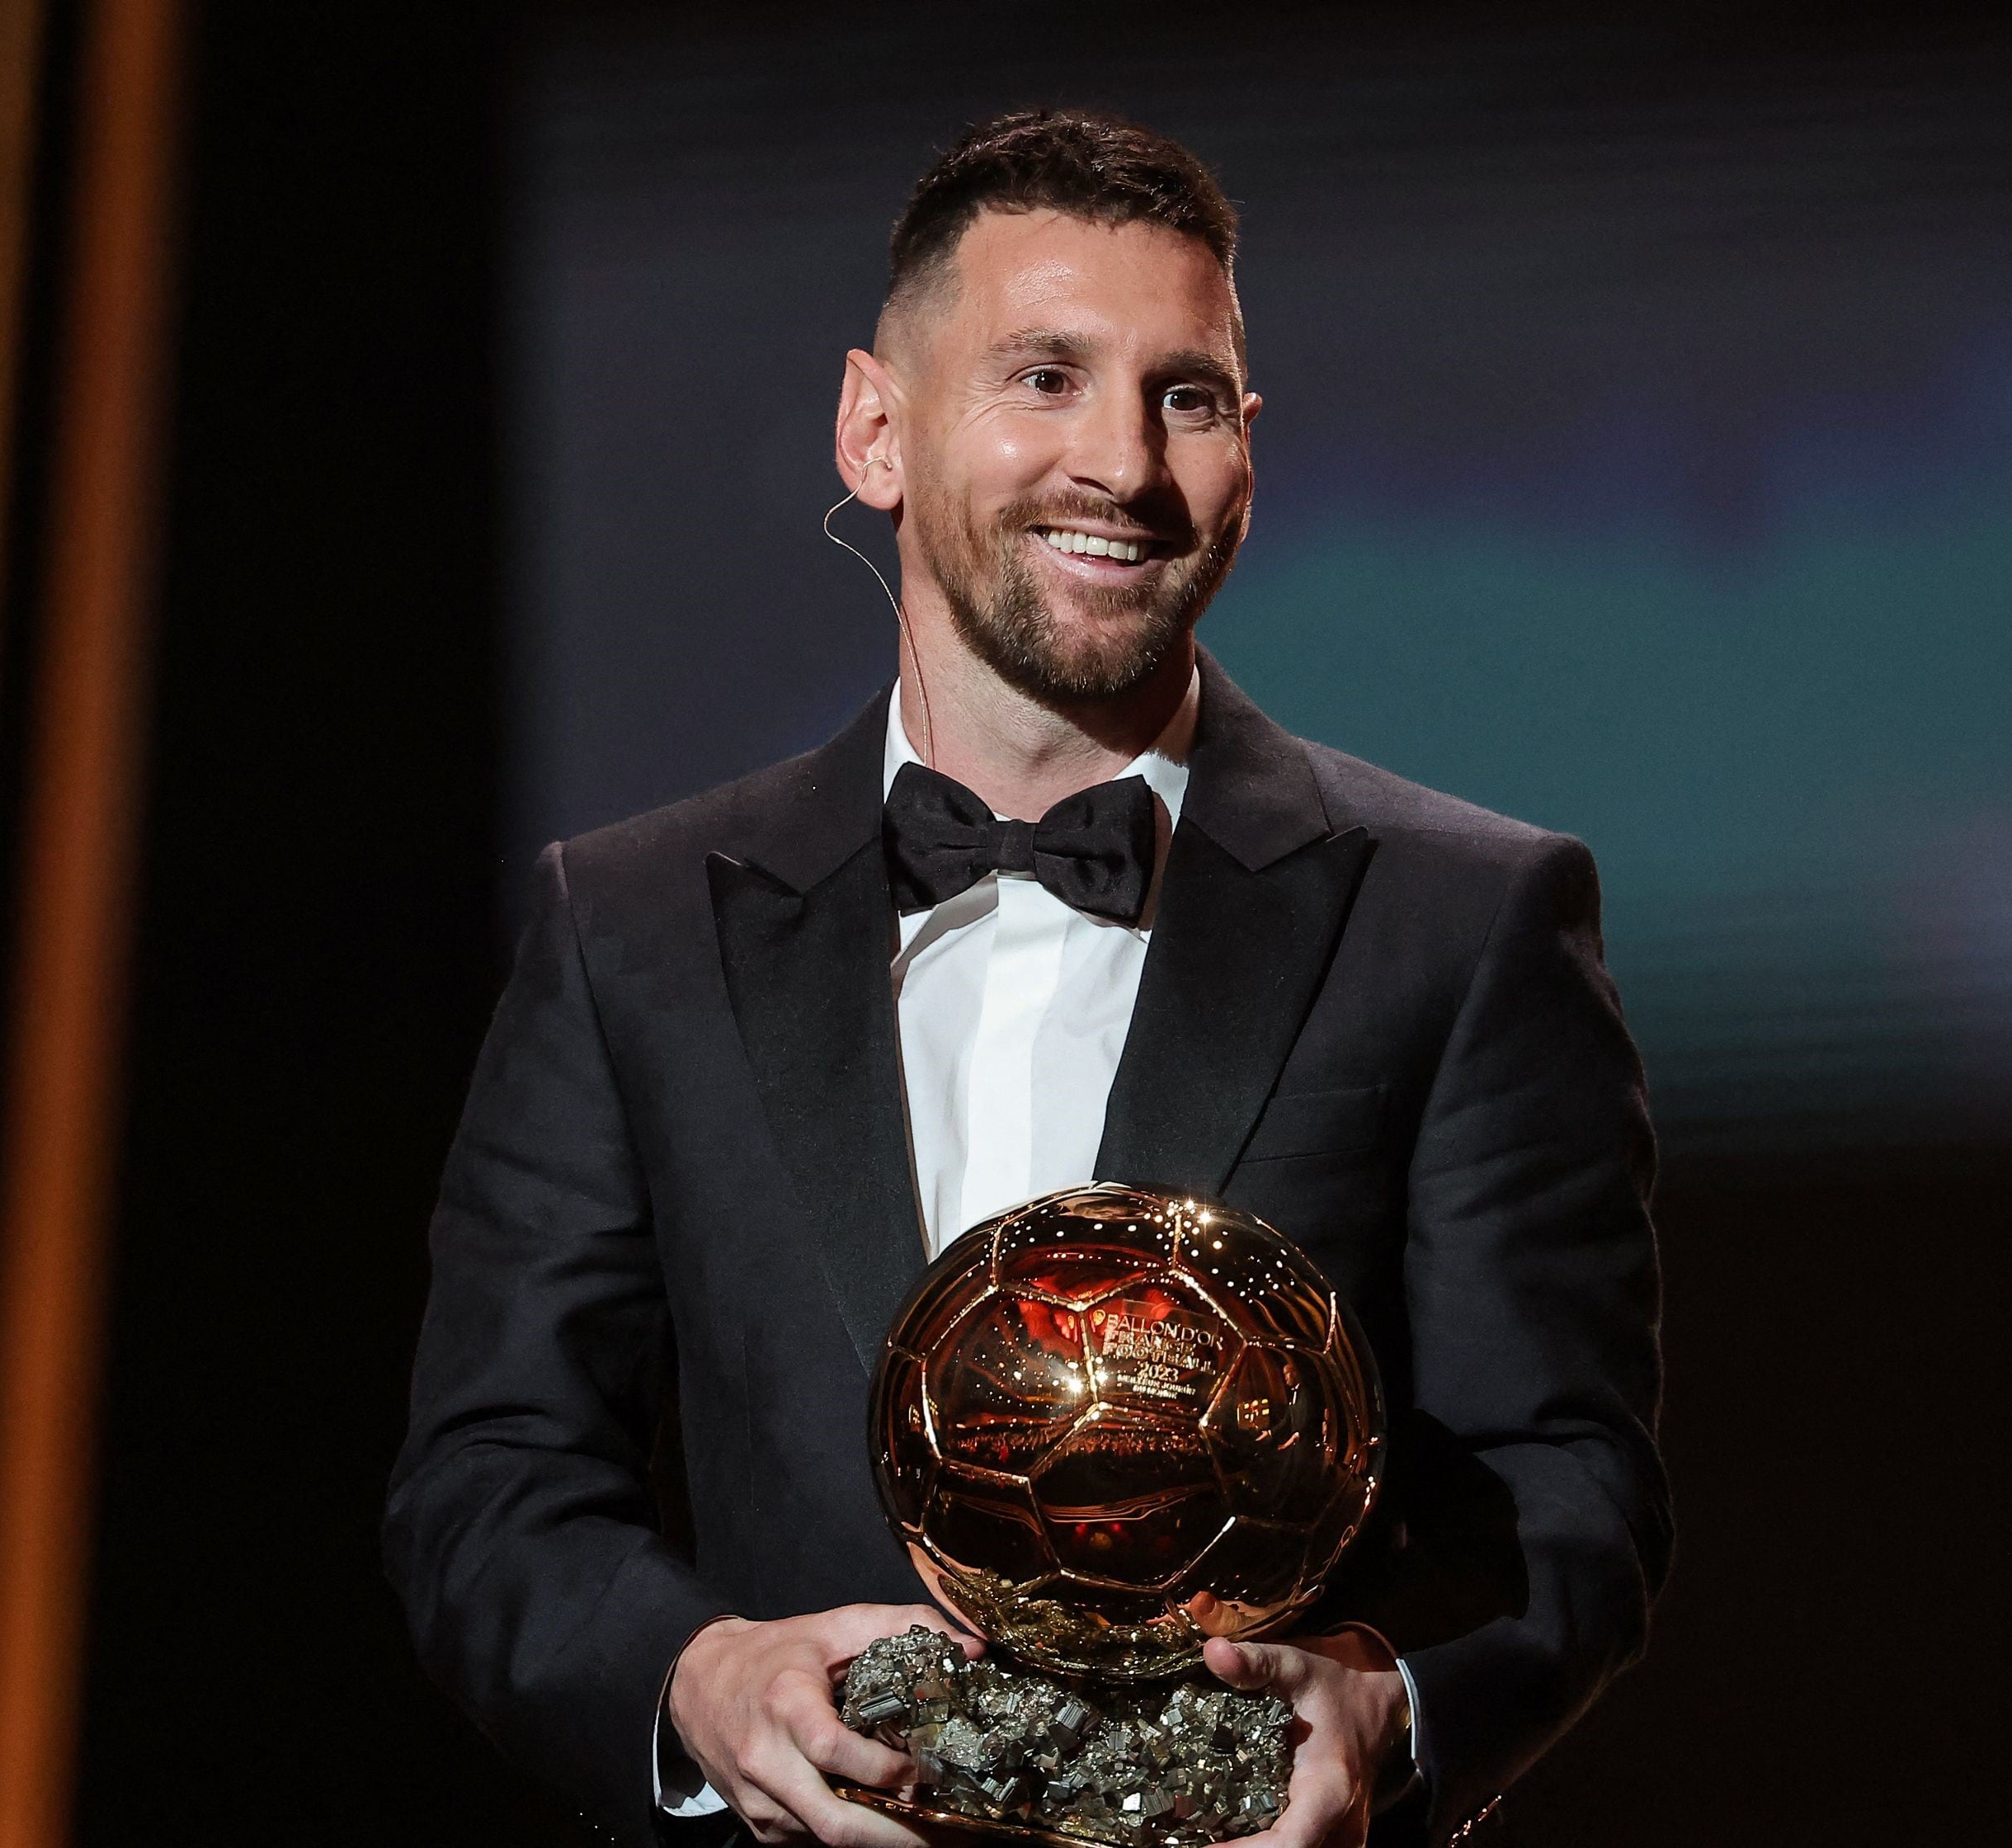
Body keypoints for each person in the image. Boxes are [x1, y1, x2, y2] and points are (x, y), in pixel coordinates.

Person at [385, 108, 1669, 1848]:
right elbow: (491, 1483)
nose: (1122, 465)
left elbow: (1568, 1493)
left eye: (1186, 396)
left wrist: (1390, 1700)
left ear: (1247, 450)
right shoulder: (631, 925)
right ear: (874, 428)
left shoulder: (1467, 916)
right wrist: (697, 1675)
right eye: (1044, 377)